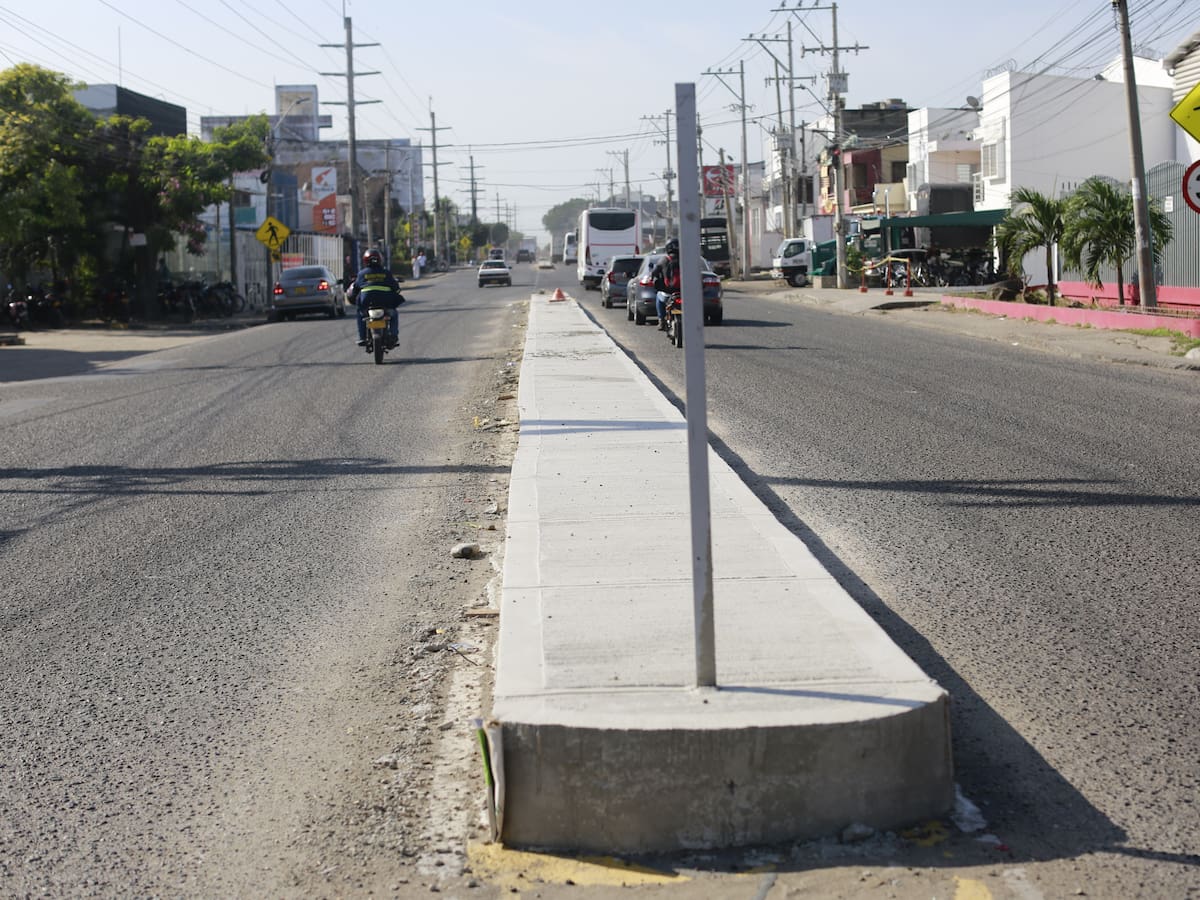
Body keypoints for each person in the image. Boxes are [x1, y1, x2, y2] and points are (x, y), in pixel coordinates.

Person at [350, 249, 404, 348]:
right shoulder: (386, 273)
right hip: (386, 302)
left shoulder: (362, 274)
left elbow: (355, 289)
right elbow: (396, 288)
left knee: (361, 315)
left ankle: (362, 337)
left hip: (366, 302)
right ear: (380, 260)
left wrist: (353, 297)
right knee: (393, 314)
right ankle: (393, 335)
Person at [652, 238, 682, 330]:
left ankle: (661, 321)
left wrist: (653, 279)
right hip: (685, 291)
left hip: (668, 292)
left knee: (658, 296)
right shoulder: (685, 259)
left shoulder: (664, 260)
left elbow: (654, 273)